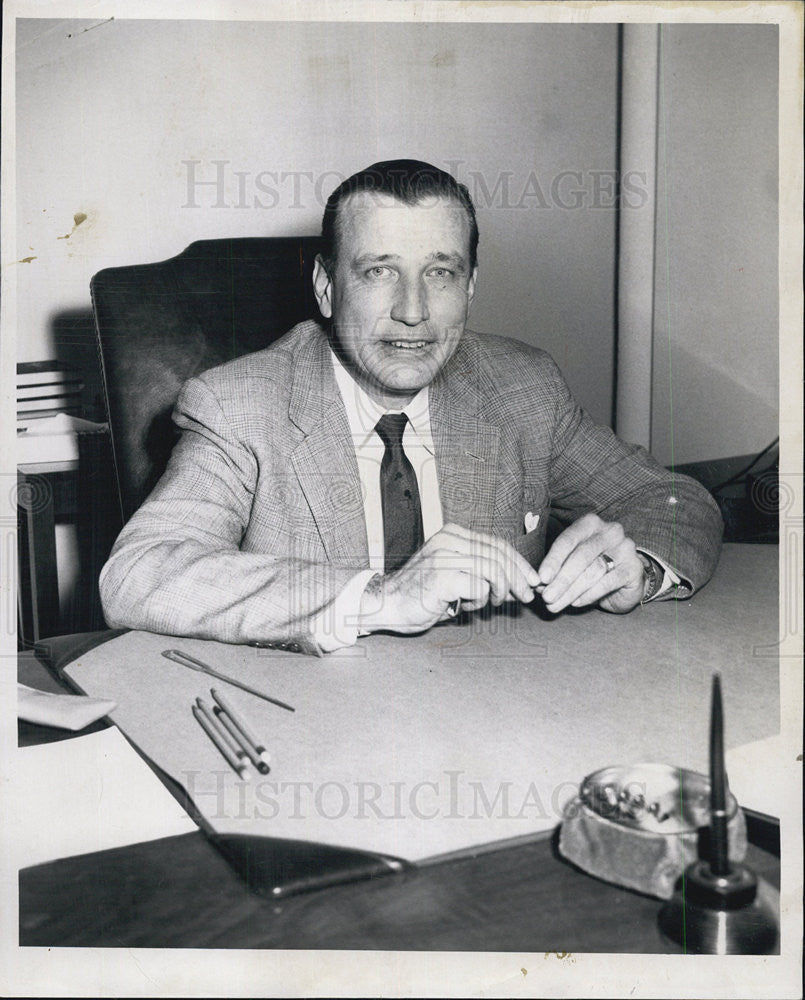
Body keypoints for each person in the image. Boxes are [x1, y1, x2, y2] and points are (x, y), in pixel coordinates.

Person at [99, 159, 722, 655]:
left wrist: (634, 566)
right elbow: (139, 573)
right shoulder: (240, 406)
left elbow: (674, 500)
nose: (414, 311)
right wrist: (382, 597)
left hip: (501, 716)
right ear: (325, 286)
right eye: (379, 272)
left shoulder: (522, 388)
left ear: (471, 287)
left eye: (441, 273)